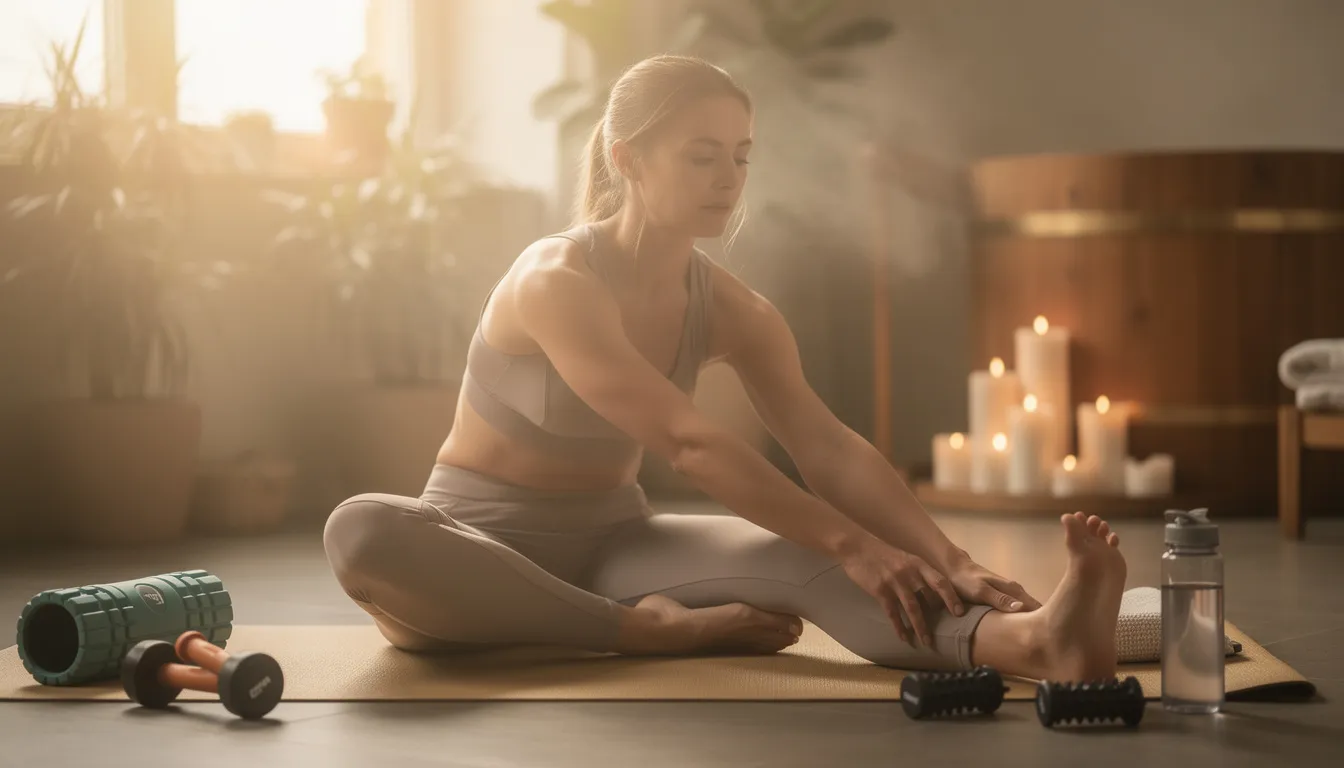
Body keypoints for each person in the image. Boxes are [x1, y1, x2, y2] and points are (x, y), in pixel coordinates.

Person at [323, 54, 1128, 682]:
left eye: (741, 157)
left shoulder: (737, 310)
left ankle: (1033, 643)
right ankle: (639, 633)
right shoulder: (554, 281)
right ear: (627, 159)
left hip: (616, 545)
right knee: (361, 529)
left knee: (800, 555)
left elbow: (828, 447)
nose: (728, 179)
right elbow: (689, 442)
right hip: (472, 548)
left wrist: (949, 558)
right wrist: (856, 542)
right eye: (702, 156)